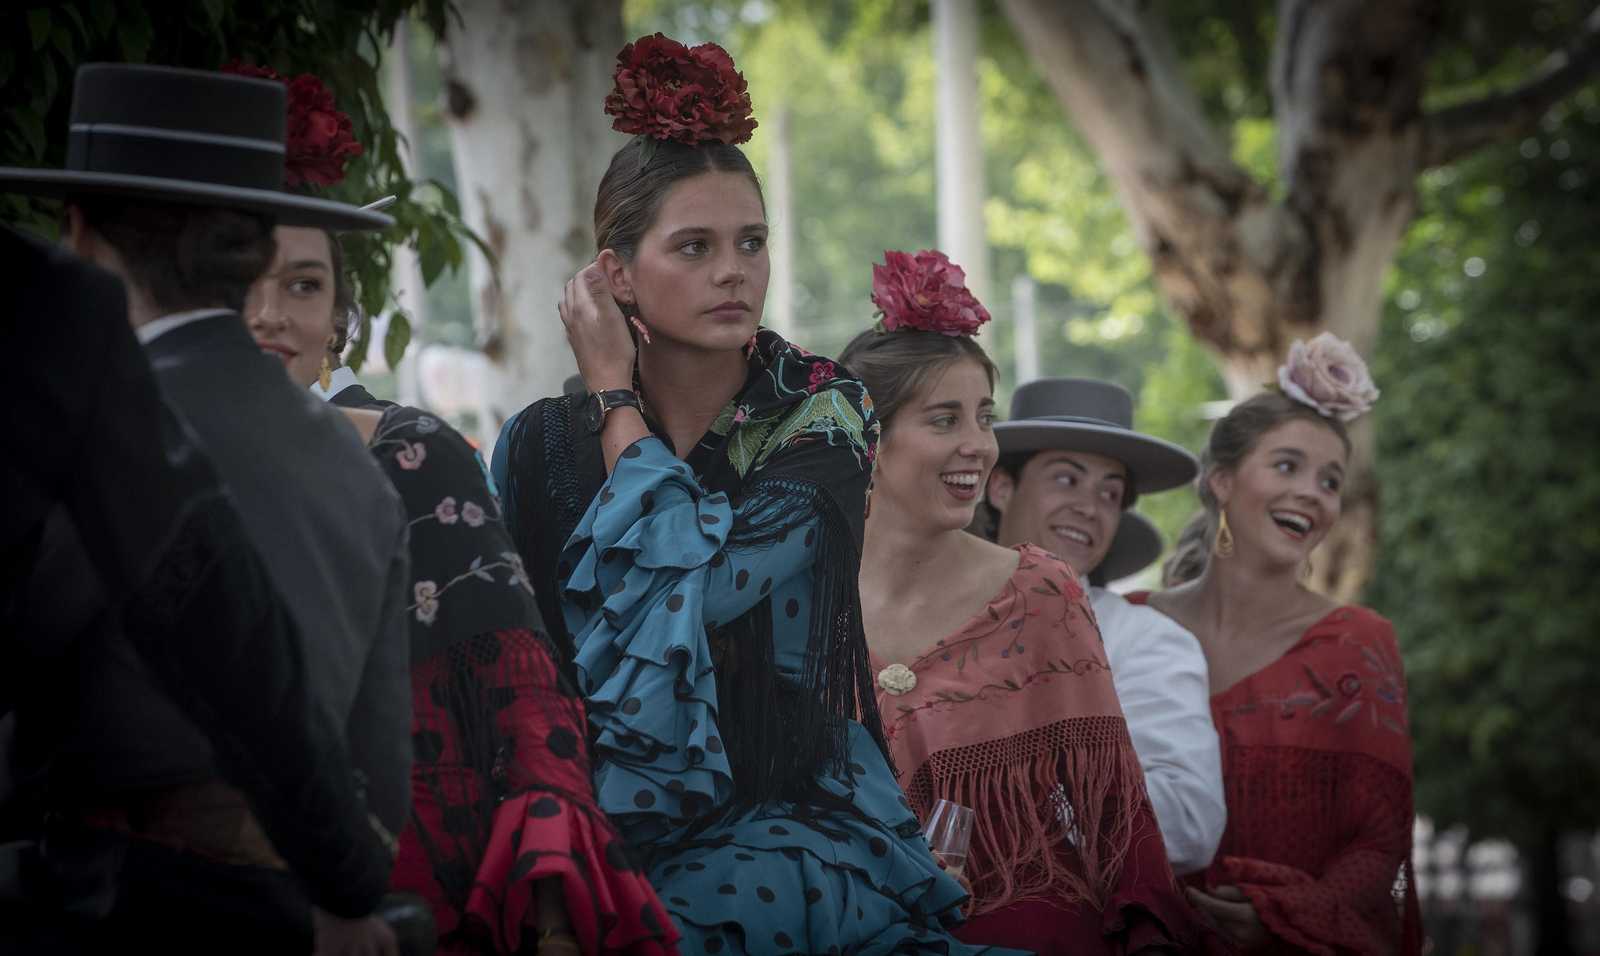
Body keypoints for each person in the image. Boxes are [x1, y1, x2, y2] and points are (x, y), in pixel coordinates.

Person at [493, 36, 995, 954]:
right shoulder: (537, 443)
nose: (735, 271)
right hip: (584, 811)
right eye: (696, 246)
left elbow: (701, 587)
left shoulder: (823, 413)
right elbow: (520, 664)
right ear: (614, 275)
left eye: (751, 243)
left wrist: (611, 396)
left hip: (783, 817)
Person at [0, 63, 410, 954]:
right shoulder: (364, 475)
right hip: (297, 913)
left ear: (80, 238)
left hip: (104, 905)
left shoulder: (94, 427)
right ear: (256, 253)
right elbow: (380, 770)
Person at [246, 202, 679, 954]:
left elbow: (520, 692)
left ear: (339, 315)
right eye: (238, 283)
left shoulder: (411, 456)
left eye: (303, 285)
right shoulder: (118, 460)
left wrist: (554, 917)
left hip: (403, 873)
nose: (268, 314)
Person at [843, 250, 1227, 956]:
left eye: (984, 417)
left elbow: (1123, 825)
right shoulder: (789, 591)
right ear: (866, 436)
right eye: (945, 419)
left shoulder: (1044, 590)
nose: (976, 444)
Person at [1130, 334, 1421, 956]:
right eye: (1287, 466)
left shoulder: (1358, 644)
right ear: (1222, 481)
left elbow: (1381, 838)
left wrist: (1288, 917)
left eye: (1330, 481)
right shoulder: (1122, 627)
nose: (1313, 492)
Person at [981, 378, 1226, 875]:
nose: (1089, 508)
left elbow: (1190, 824)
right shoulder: (922, 613)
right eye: (1066, 479)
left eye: (1110, 493)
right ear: (1001, 487)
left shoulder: (1147, 640)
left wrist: (1006, 786)